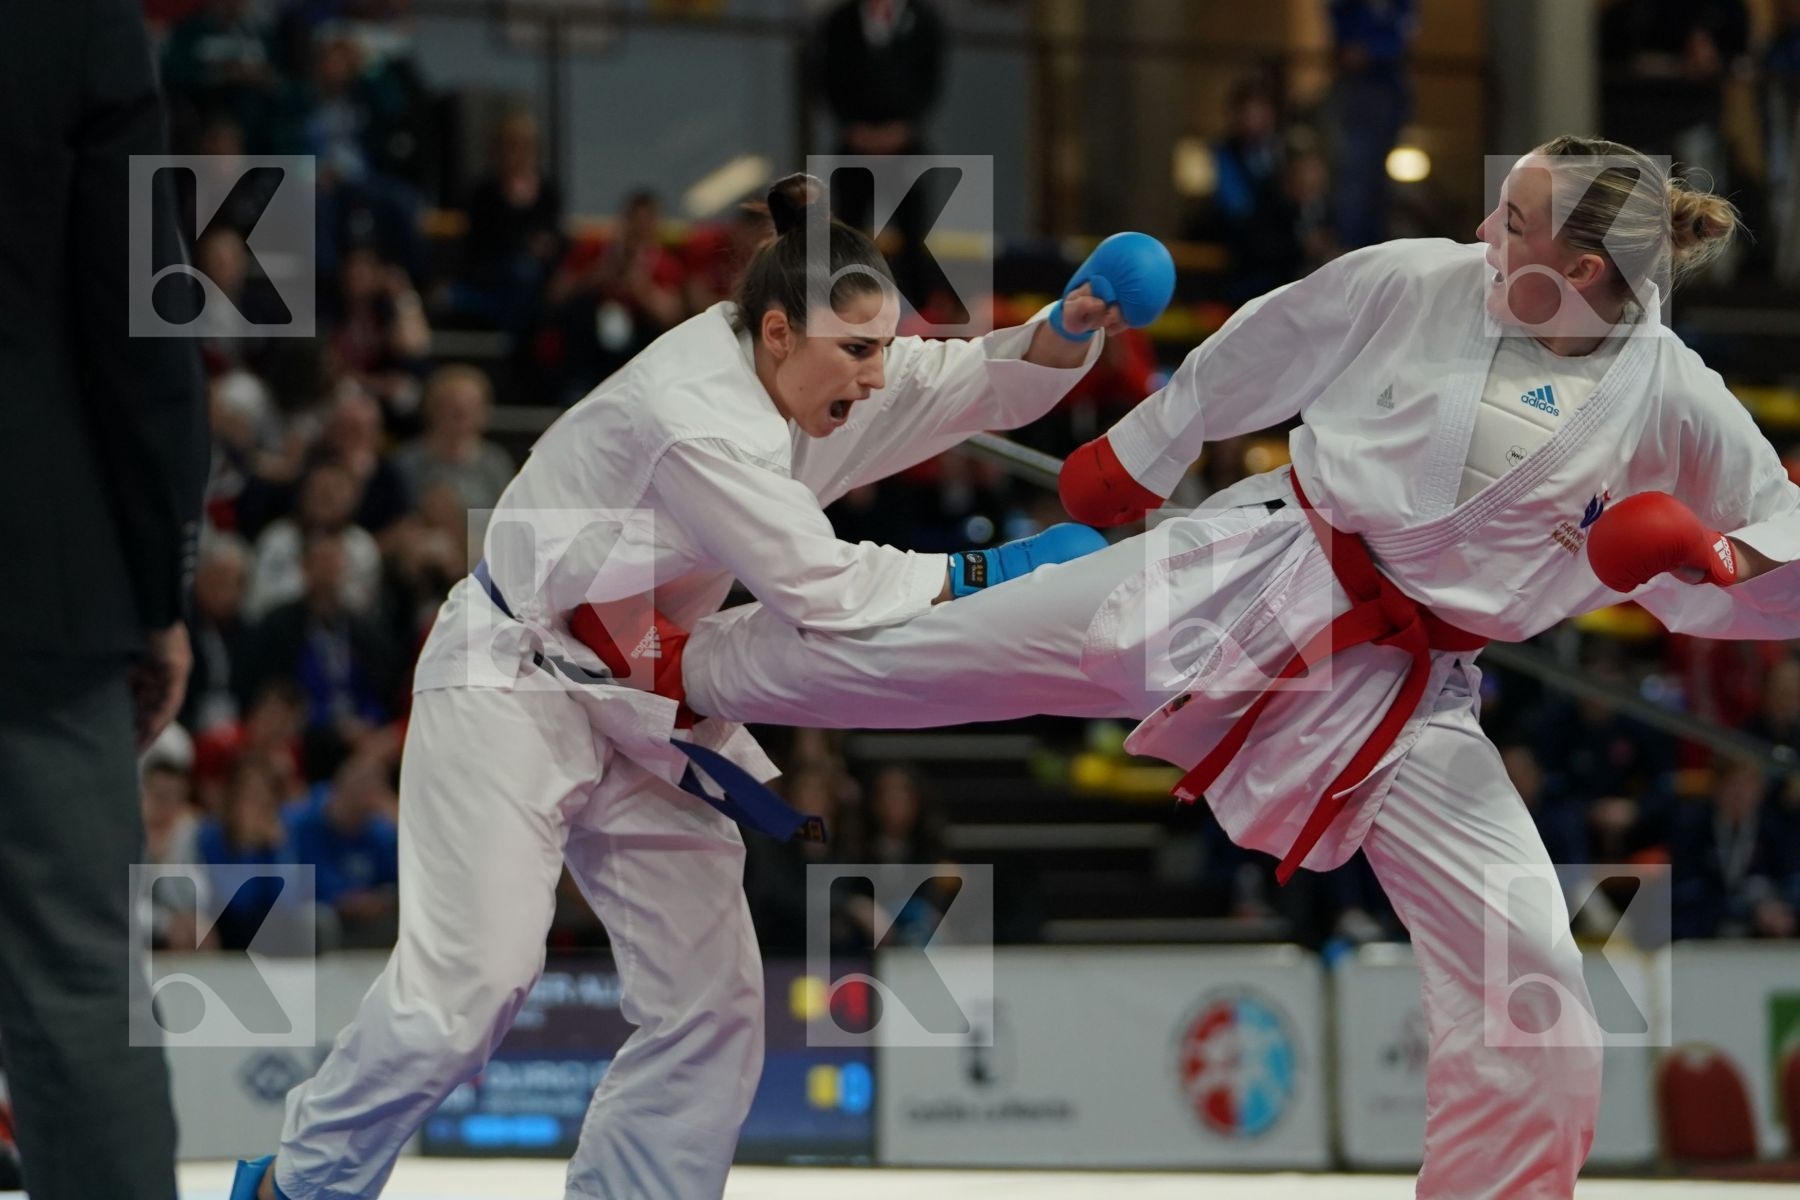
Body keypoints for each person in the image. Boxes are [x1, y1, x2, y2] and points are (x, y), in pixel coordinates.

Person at [659, 138, 1800, 1199]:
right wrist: (1143, 450)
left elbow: (1780, 548)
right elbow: (1273, 339)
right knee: (927, 659)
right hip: (1254, 574)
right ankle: (687, 666)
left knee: (1537, 979)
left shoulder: (1673, 399)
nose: (1484, 228)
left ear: (1585, 268)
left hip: (1405, 697)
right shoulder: (1423, 278)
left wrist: (1716, 555)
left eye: (1514, 219)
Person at [230, 175, 1168, 1200]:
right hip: (514, 677)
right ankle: (299, 1185)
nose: (878, 374)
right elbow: (826, 590)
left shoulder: (822, 364)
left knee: (713, 1007)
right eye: (859, 352)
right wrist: (992, 570)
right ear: (776, 333)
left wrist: (1063, 325)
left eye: (881, 345)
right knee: (470, 990)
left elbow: (964, 382)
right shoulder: (699, 421)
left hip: (644, 700)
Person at [0, 2, 209, 1197]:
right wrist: (156, 587)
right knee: (79, 983)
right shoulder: (69, 20)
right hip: (35, 576)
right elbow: (145, 324)